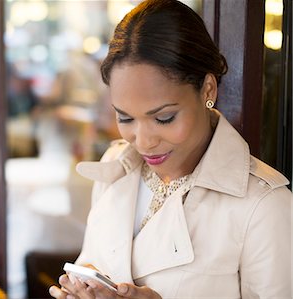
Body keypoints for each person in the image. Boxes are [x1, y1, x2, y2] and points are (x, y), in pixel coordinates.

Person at [49, 0, 292, 298]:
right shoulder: (114, 168)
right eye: (125, 117)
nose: (143, 141)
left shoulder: (263, 206)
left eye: (164, 118)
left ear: (208, 90)